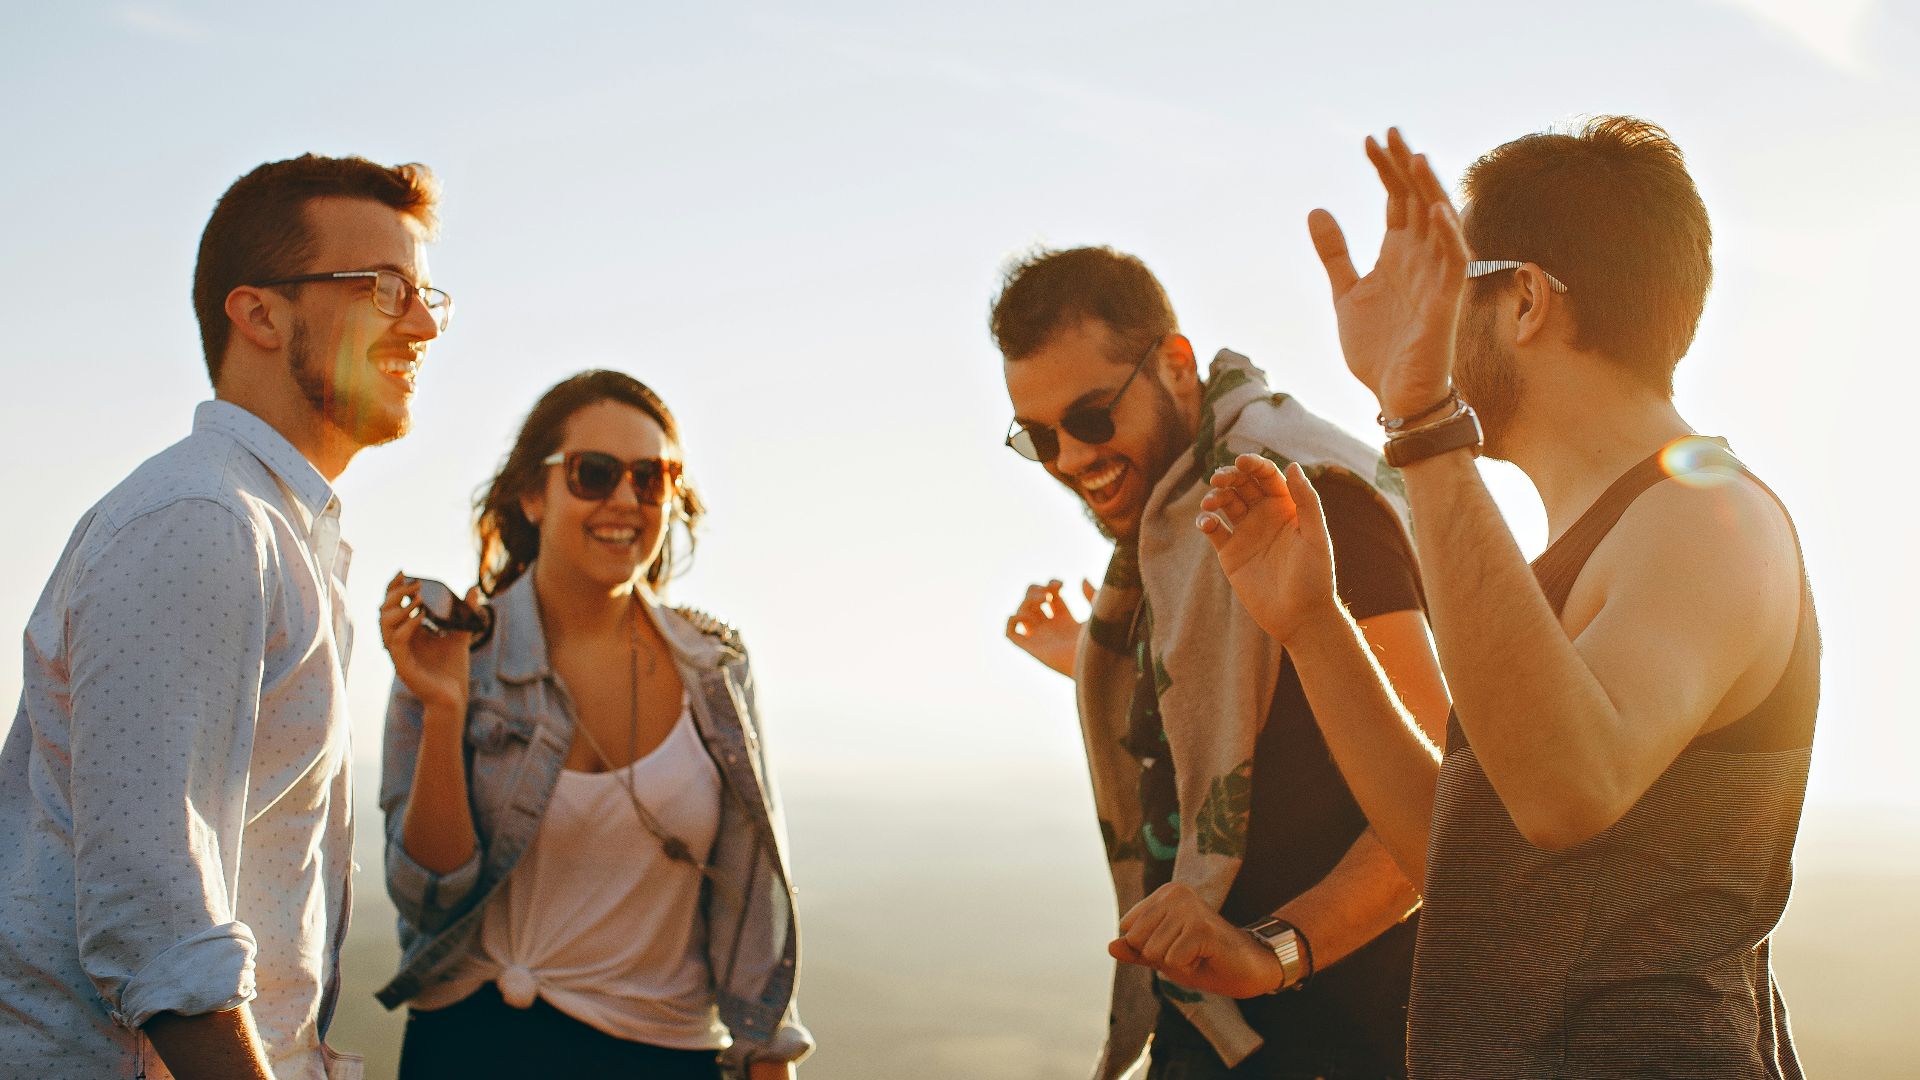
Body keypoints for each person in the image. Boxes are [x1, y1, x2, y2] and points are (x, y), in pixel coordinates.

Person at [1123, 121, 1819, 1078]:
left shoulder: (1706, 517)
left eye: (1449, 289)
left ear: (1526, 299)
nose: (1428, 323)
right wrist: (1314, 624)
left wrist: (1418, 418)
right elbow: (1467, 861)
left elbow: (1565, 792)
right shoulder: (1592, 547)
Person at [0, 154, 447, 1079]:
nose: (425, 322)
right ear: (259, 313)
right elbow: (160, 928)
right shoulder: (202, 522)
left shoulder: (279, 531)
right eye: (386, 288)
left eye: (427, 290)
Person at [996, 247, 1451, 1079]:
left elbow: (1440, 806)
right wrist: (1096, 662)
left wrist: (1272, 952)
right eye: (1039, 436)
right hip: (1213, 1031)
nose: (1068, 457)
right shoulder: (1178, 527)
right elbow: (1251, 705)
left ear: (1173, 365)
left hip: (1340, 1037)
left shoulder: (1309, 499)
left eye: (1092, 417)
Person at [375, 370, 811, 1079]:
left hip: (663, 1057)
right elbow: (430, 898)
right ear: (531, 494)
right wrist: (444, 707)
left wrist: (768, 1060)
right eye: (595, 473)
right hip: (471, 1048)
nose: (625, 500)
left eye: (652, 478)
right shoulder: (456, 654)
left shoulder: (716, 670)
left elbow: (752, 900)